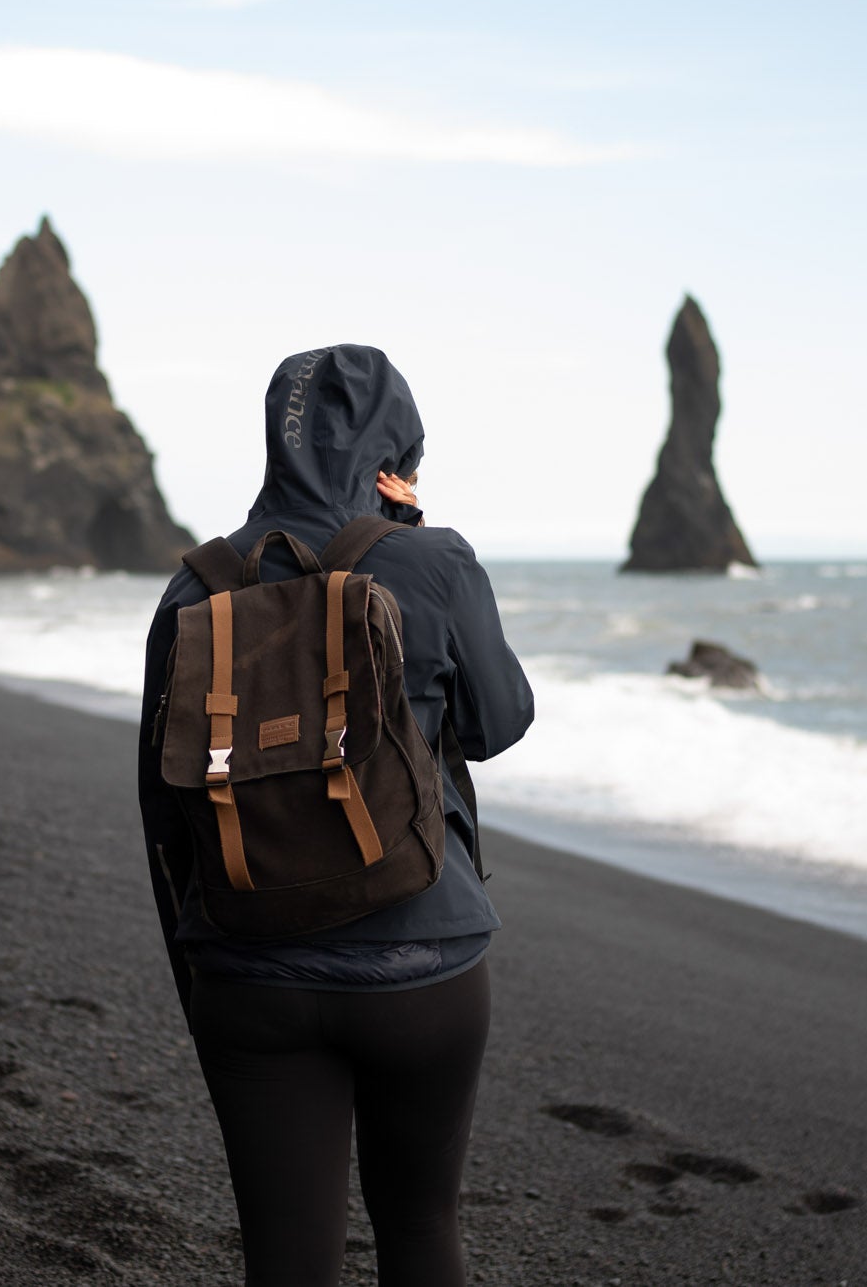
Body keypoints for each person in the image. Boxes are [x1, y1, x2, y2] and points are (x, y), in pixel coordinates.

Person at [136, 344, 535, 1287]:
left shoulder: (196, 587)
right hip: (423, 961)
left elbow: (163, 814)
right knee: (422, 1229)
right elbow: (499, 721)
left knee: (285, 1260)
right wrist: (414, 537)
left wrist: (204, 981)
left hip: (246, 968)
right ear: (394, 460)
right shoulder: (432, 561)